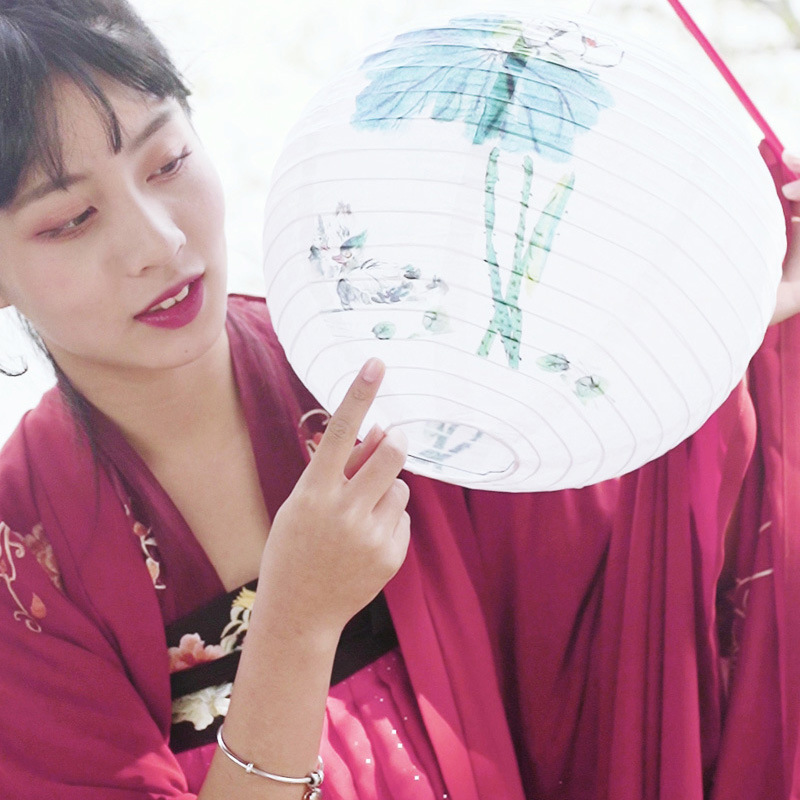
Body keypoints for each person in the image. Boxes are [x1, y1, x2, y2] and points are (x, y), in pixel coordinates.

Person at [0, 2, 798, 799]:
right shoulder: (25, 561)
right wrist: (296, 628)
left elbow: (601, 579)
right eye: (71, 220)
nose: (159, 242)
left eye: (167, 163)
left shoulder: (385, 354)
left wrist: (716, 318)